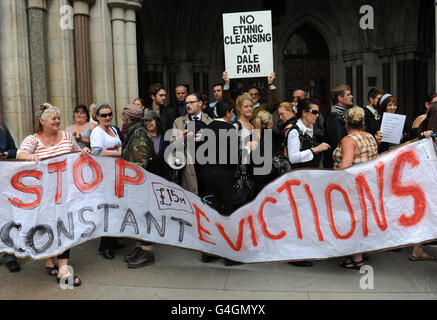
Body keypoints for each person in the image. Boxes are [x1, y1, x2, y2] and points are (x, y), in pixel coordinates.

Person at [17, 104, 92, 286]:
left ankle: (64, 268)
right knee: (48, 226)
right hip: (45, 195)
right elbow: (20, 153)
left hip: (66, 192)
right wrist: (29, 157)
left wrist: (84, 152)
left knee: (65, 225)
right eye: (54, 119)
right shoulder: (33, 139)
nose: (58, 121)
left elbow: (75, 153)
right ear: (42, 121)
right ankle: (50, 259)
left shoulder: (67, 137)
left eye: (59, 118)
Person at [332, 107, 378, 269]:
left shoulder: (349, 140)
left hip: (351, 187)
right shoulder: (370, 137)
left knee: (350, 221)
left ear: (347, 122)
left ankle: (357, 258)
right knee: (360, 220)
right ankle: (358, 252)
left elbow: (346, 165)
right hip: (368, 185)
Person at [120, 104, 157, 268]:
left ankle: (147, 251)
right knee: (137, 217)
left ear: (127, 118)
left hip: (139, 185)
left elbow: (139, 164)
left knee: (143, 217)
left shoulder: (138, 134)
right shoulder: (134, 131)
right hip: (135, 183)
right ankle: (139, 248)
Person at [90, 102, 123, 260]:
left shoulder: (114, 129)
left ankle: (114, 240)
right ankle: (105, 246)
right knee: (108, 209)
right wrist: (117, 153)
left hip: (117, 172)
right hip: (105, 175)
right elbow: (96, 152)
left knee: (116, 207)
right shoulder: (96, 132)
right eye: (103, 115)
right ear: (97, 117)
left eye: (109, 114)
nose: (108, 117)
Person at [171, 92, 213, 195]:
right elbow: (171, 145)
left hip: (206, 167)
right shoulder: (179, 122)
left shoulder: (210, 121)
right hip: (188, 168)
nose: (188, 105)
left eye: (191, 102)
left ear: (200, 103)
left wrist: (207, 137)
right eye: (186, 103)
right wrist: (180, 139)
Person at [287, 99, 330, 169]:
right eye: (314, 112)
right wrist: (315, 149)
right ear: (304, 113)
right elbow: (293, 158)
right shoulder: (295, 131)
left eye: (318, 112)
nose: (317, 115)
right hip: (300, 176)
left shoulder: (311, 128)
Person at [0, 122, 20, 273]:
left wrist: (7, 154)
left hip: (3, 180)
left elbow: (14, 150)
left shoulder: (2, 128)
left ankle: (9, 254)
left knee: (5, 216)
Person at [324, 84, 354, 168]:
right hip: (338, 162)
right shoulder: (333, 117)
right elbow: (339, 141)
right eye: (348, 95)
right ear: (340, 98)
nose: (351, 96)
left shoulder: (346, 113)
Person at [252, 110, 283, 192]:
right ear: (270, 123)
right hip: (274, 180)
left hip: (255, 181)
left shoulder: (251, 137)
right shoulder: (278, 137)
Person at [142, 109, 173, 181]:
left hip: (163, 177)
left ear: (157, 121)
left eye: (150, 120)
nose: (148, 123)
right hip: (147, 176)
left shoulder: (165, 137)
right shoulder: (142, 137)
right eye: (146, 120)